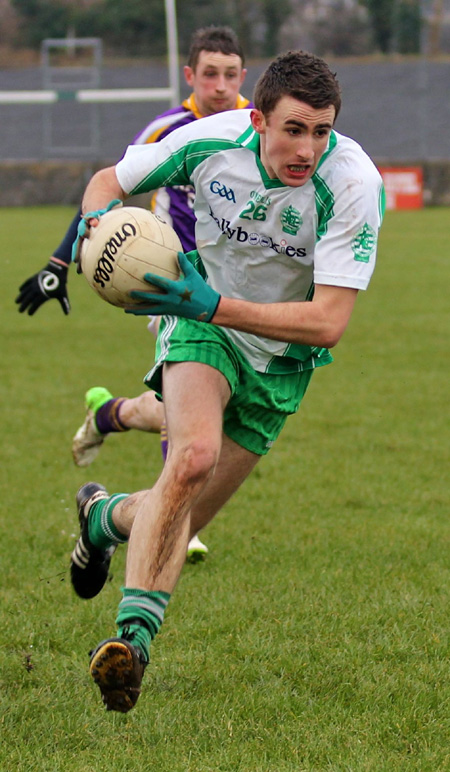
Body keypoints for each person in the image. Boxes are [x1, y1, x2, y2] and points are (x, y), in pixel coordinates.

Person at [70, 48, 384, 713]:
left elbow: (327, 323)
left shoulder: (353, 183)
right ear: (258, 117)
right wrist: (95, 230)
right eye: (294, 128)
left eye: (322, 130)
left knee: (173, 519)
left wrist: (212, 305)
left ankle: (102, 517)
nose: (308, 147)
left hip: (279, 360)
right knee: (192, 459)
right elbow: (107, 181)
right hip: (199, 327)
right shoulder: (210, 140)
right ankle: (132, 646)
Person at [15, 25, 252, 562]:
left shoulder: (255, 127)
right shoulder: (169, 129)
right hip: (168, 286)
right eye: (209, 73)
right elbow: (108, 190)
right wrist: (59, 261)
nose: (220, 85)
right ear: (190, 76)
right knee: (190, 414)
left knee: (209, 409)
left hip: (234, 291)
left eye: (230, 74)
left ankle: (108, 414)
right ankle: (178, 523)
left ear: (244, 76)